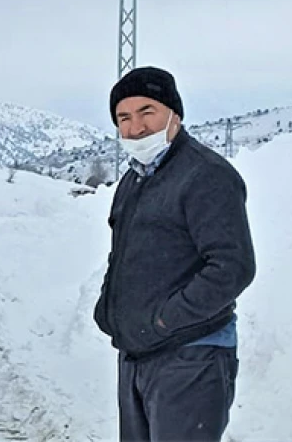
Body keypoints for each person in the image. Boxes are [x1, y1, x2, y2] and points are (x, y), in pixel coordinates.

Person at [93, 66, 256, 442]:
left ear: (174, 114)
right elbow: (123, 253)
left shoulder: (206, 175)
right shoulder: (134, 180)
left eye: (147, 111)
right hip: (138, 354)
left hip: (191, 358)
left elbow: (233, 267)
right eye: (124, 117)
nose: (136, 128)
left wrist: (166, 320)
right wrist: (109, 311)